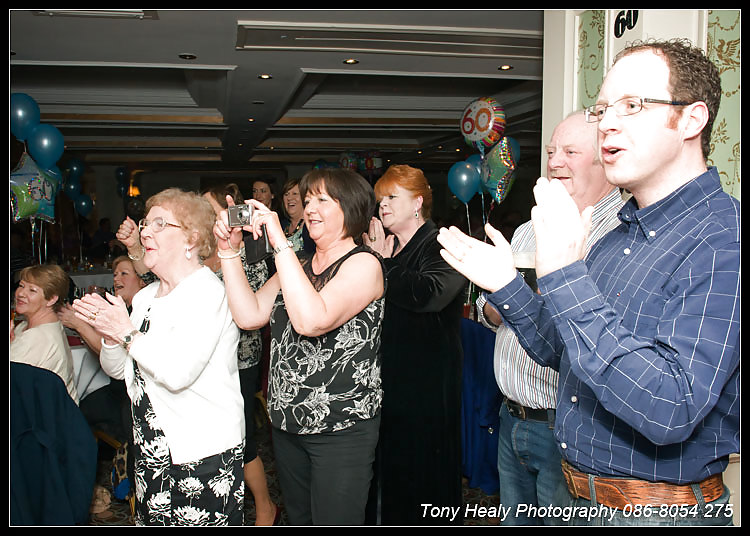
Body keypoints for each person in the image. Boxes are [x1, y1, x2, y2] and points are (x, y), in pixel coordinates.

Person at [437, 38, 739, 526]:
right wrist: (509, 285)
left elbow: (672, 407)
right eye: (603, 108)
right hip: (580, 500)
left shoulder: (723, 239)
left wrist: (564, 274)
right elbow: (571, 355)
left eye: (633, 105)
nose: (609, 123)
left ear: (690, 120)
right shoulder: (622, 232)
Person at [474, 112, 625, 525]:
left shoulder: (620, 233)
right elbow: (491, 309)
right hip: (512, 417)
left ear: (604, 162)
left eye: (570, 152)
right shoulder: (526, 230)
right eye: (552, 152)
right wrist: (494, 307)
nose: (555, 162)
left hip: (566, 426)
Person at [214, 168, 385, 525]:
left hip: (340, 429)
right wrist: (228, 253)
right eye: (308, 200)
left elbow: (312, 320)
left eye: (323, 199)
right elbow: (249, 315)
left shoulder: (364, 264)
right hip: (288, 423)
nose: (309, 208)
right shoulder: (298, 264)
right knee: (301, 518)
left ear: (351, 208)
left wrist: (279, 243)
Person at [71, 188, 246, 526]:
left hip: (201, 451)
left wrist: (125, 332)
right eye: (145, 224)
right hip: (152, 449)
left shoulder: (207, 292)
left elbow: (178, 373)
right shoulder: (147, 295)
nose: (145, 232)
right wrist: (110, 335)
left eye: (159, 224)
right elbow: (120, 371)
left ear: (191, 239)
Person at [362, 164, 466, 525]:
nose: (383, 206)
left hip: (427, 377)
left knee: (423, 466)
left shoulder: (441, 242)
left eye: (392, 197)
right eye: (380, 200)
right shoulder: (387, 246)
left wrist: (382, 263)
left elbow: (429, 294)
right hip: (392, 372)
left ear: (418, 202)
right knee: (391, 464)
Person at [201, 183, 279, 526]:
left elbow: (255, 300)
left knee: (241, 433)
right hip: (203, 357)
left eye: (210, 209)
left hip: (239, 356)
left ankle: (264, 506)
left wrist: (232, 253)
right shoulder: (199, 249)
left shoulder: (250, 247)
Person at [58, 255, 146, 444]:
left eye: (124, 273)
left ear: (142, 280)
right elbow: (104, 354)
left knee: (78, 410)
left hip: (128, 394)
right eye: (115, 274)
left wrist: (79, 325)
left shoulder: (138, 315)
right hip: (117, 388)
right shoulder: (125, 309)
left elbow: (118, 357)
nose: (116, 279)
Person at [11, 264, 79, 404]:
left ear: (51, 299)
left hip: (43, 419)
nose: (21, 293)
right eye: (22, 286)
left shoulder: (37, 337)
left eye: (32, 290)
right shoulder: (30, 326)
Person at [280, 177, 314, 254]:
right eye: (286, 194)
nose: (289, 198)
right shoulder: (280, 225)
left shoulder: (312, 226)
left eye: (295, 194)